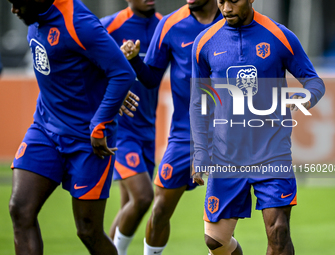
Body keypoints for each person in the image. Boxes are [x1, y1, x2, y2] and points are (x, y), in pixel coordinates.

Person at [190, 0, 325, 255]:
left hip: (272, 152)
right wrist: (200, 153)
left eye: (233, 1)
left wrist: (306, 97)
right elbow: (199, 104)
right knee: (215, 241)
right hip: (226, 156)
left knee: (278, 232)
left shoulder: (280, 36)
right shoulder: (204, 43)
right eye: (221, 2)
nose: (226, 8)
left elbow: (315, 82)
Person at [7, 0, 138, 254]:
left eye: (17, 3)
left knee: (87, 230)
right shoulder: (32, 15)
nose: (14, 9)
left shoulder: (78, 22)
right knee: (20, 209)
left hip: (87, 139)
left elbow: (121, 73)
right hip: (45, 128)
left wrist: (100, 123)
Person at [120, 0, 222, 254]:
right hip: (184, 136)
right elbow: (152, 78)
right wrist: (134, 61)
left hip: (228, 136)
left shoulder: (233, 21)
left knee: (219, 230)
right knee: (160, 210)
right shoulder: (170, 25)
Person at [100, 1, 162, 254]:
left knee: (131, 206)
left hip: (148, 128)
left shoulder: (164, 26)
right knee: (144, 197)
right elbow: (87, 68)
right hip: (120, 130)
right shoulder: (107, 27)